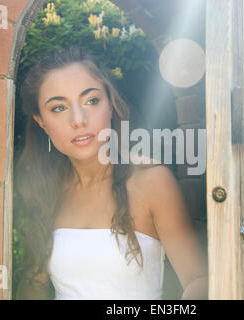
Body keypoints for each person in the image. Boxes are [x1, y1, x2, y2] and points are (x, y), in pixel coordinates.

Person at [14, 45, 208, 300]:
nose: (79, 119)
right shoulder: (48, 190)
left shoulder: (150, 181)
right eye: (59, 108)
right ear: (42, 123)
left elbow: (198, 280)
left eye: (91, 101)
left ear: (110, 105)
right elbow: (33, 283)